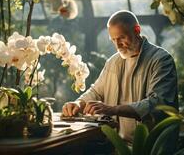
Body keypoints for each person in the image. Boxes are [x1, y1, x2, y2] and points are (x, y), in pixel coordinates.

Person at [62, 10, 178, 143]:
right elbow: (96, 91)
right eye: (113, 40)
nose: (117, 45)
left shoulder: (161, 60)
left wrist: (113, 109)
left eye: (122, 37)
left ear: (137, 30)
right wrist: (79, 103)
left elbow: (158, 104)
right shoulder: (112, 62)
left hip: (151, 147)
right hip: (117, 145)